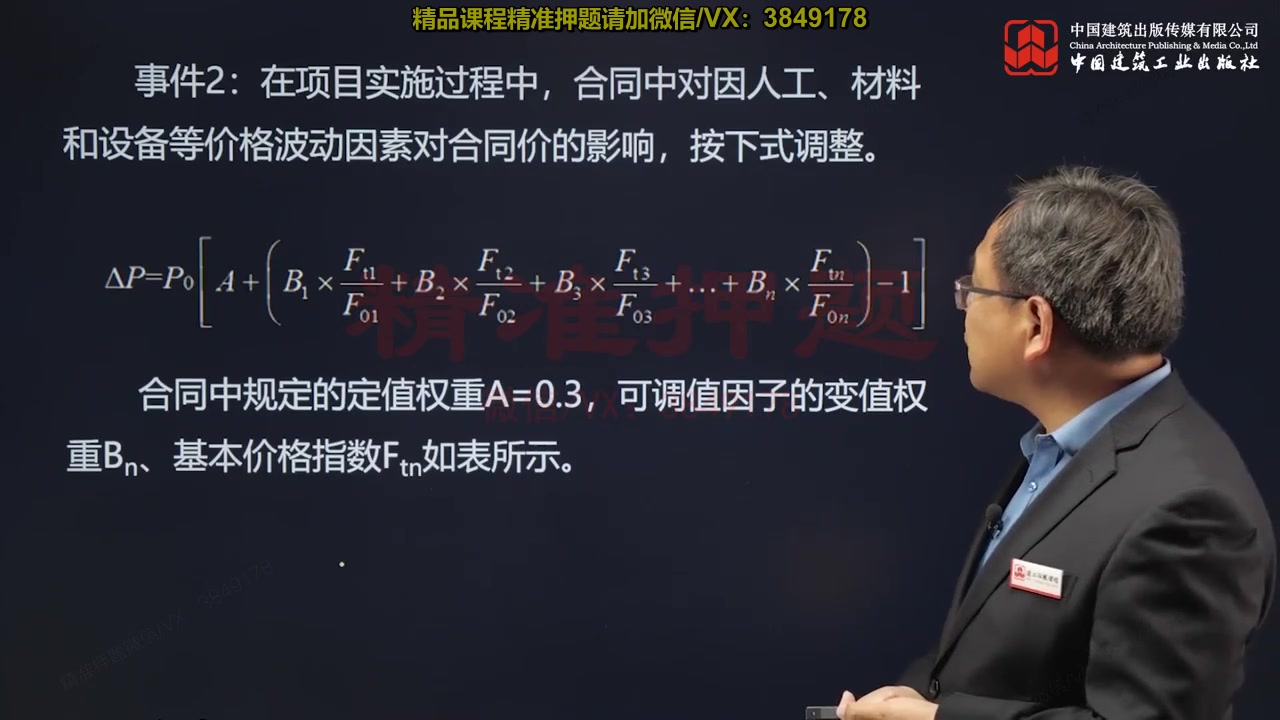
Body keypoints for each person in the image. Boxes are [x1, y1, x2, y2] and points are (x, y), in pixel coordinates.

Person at [836, 166, 1276, 720]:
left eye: (974, 290)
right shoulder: (1068, 447)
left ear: (1036, 324)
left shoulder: (1191, 512)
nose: (964, 309)